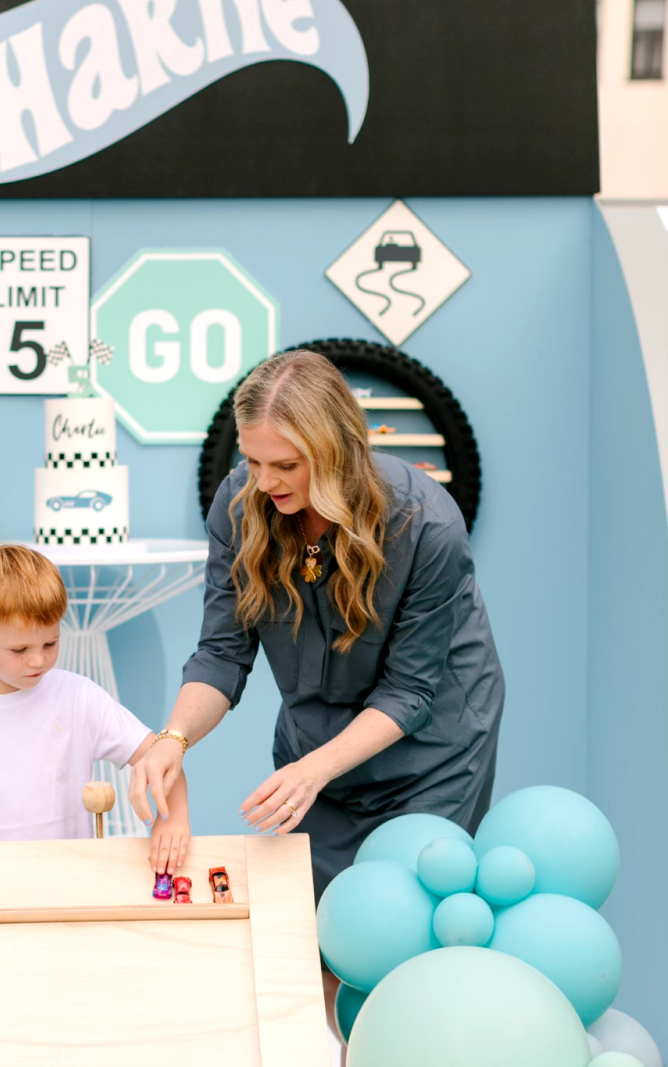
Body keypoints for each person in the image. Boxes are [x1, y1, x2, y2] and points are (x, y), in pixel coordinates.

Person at [130, 348, 504, 897]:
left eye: (286, 466)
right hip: (313, 748)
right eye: (252, 461)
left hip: (431, 754)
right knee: (312, 933)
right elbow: (222, 653)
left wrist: (314, 769)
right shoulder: (240, 506)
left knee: (398, 923)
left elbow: (410, 690)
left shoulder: (426, 525)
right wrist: (172, 740)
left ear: (339, 452)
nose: (263, 483)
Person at [0, 544, 190, 860]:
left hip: (65, 888)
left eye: (50, 642)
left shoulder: (78, 697)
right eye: (19, 650)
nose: (38, 660)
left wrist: (175, 818)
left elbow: (160, 756)